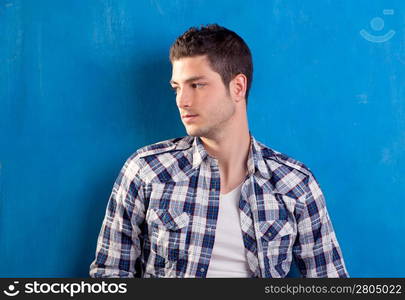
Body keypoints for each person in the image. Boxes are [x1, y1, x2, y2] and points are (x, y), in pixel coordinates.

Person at [89, 24, 349, 278]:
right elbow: (110, 274)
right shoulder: (146, 171)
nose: (182, 101)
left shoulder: (295, 184)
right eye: (176, 88)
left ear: (237, 87)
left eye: (197, 85)